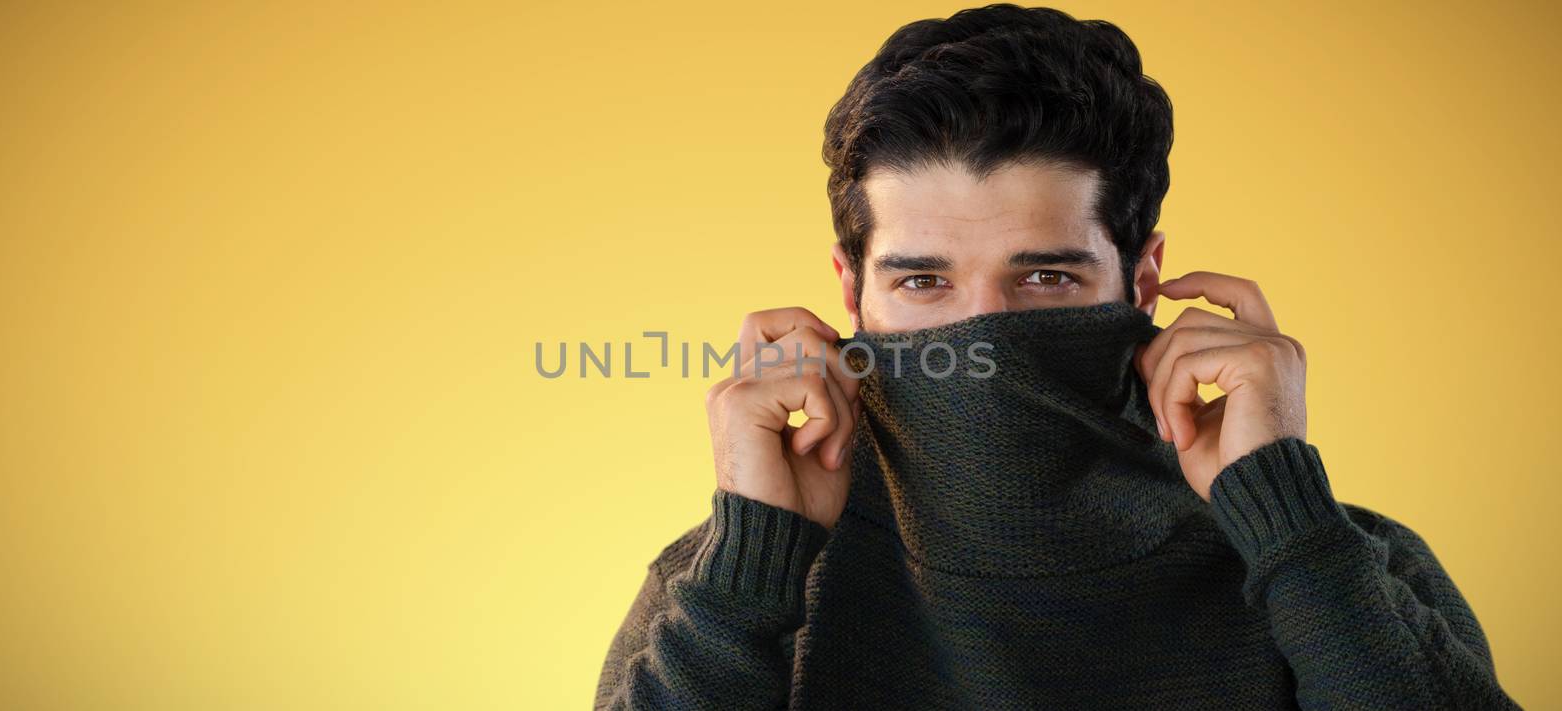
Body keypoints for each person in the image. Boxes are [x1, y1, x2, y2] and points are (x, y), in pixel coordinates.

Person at [594, 5, 1519, 709]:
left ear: (1143, 278)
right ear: (850, 293)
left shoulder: (1342, 570)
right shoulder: (722, 590)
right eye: (924, 283)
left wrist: (1285, 515)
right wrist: (753, 565)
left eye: (1044, 279)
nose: (984, 333)